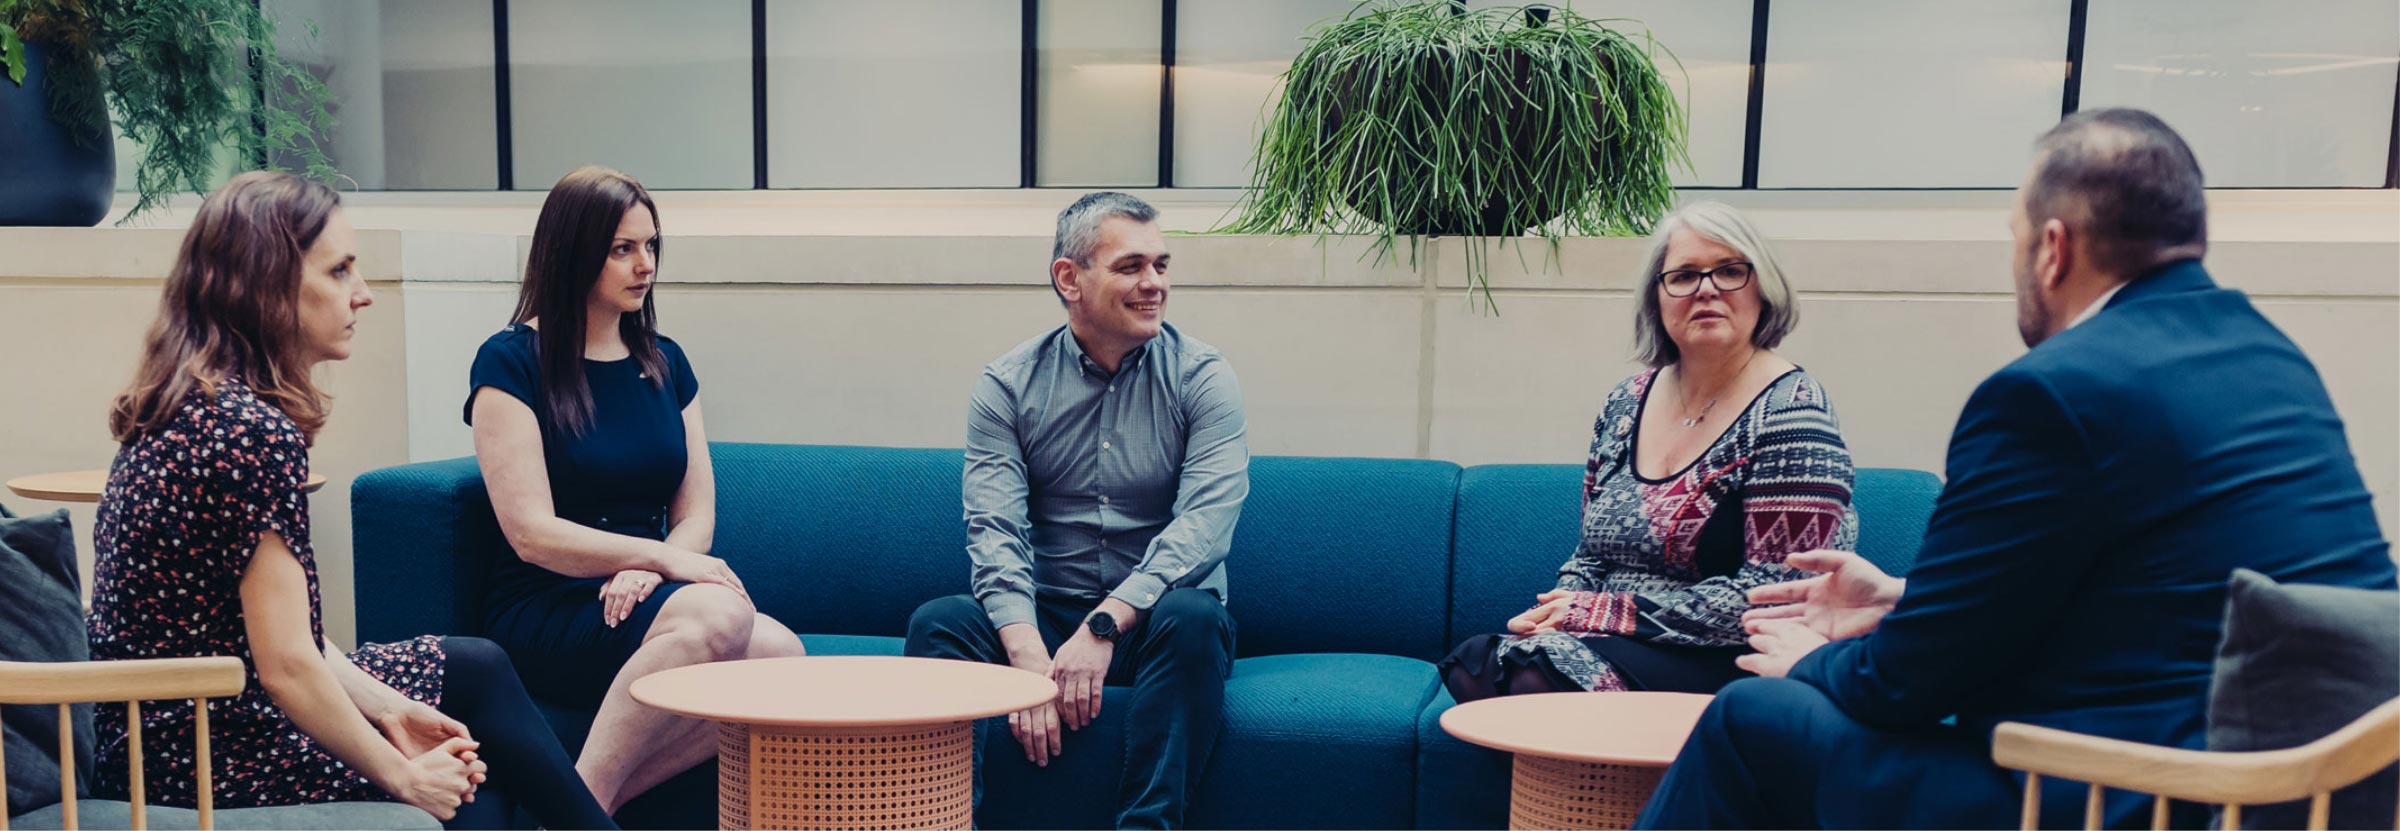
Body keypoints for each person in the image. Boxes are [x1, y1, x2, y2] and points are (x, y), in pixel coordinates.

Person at [1636, 109, 2398, 829]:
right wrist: (1908, 598)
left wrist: (1817, 658)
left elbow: (1904, 685)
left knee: (1752, 717)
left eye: (2014, 237)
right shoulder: (2269, 356)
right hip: (2315, 793)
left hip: (2132, 793)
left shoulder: (2051, 391)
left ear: (2053, 248)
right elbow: (2163, 588)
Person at [89, 171, 615, 830]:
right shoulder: (247, 432)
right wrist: (402, 773)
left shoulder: (193, 402)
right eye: (339, 271)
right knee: (468, 785)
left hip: (164, 728)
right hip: (201, 745)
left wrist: (389, 707)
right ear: (266, 285)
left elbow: (289, 636)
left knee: (473, 671)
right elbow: (285, 667)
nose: (363, 294)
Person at [466, 166, 805, 815]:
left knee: (783, 656)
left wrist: (653, 569)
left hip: (643, 597)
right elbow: (530, 531)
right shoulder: (508, 362)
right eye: (623, 248)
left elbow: (696, 509)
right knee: (723, 614)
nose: (644, 264)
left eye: (650, 246)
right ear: (572, 252)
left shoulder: (665, 360)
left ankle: (575, 811)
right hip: (549, 603)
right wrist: (653, 559)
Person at [904, 192, 1246, 830]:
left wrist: (1104, 627)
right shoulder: (1009, 384)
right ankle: (942, 822)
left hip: (1153, 619)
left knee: (1196, 617)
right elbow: (995, 528)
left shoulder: (1202, 376)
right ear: (1069, 278)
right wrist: (1028, 652)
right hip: (1046, 608)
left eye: (1162, 266)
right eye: (1131, 266)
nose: (1155, 285)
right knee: (940, 624)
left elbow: (1205, 525)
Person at [1439, 202, 1857, 701]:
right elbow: (1590, 553)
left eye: (1729, 271)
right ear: (1657, 298)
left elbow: (1773, 598)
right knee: (1479, 664)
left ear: (1763, 288)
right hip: (1612, 640)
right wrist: (1559, 612)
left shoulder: (1793, 411)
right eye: (1683, 276)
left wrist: (1600, 615)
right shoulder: (1626, 401)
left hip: (1730, 652)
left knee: (1530, 679)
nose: (1706, 288)